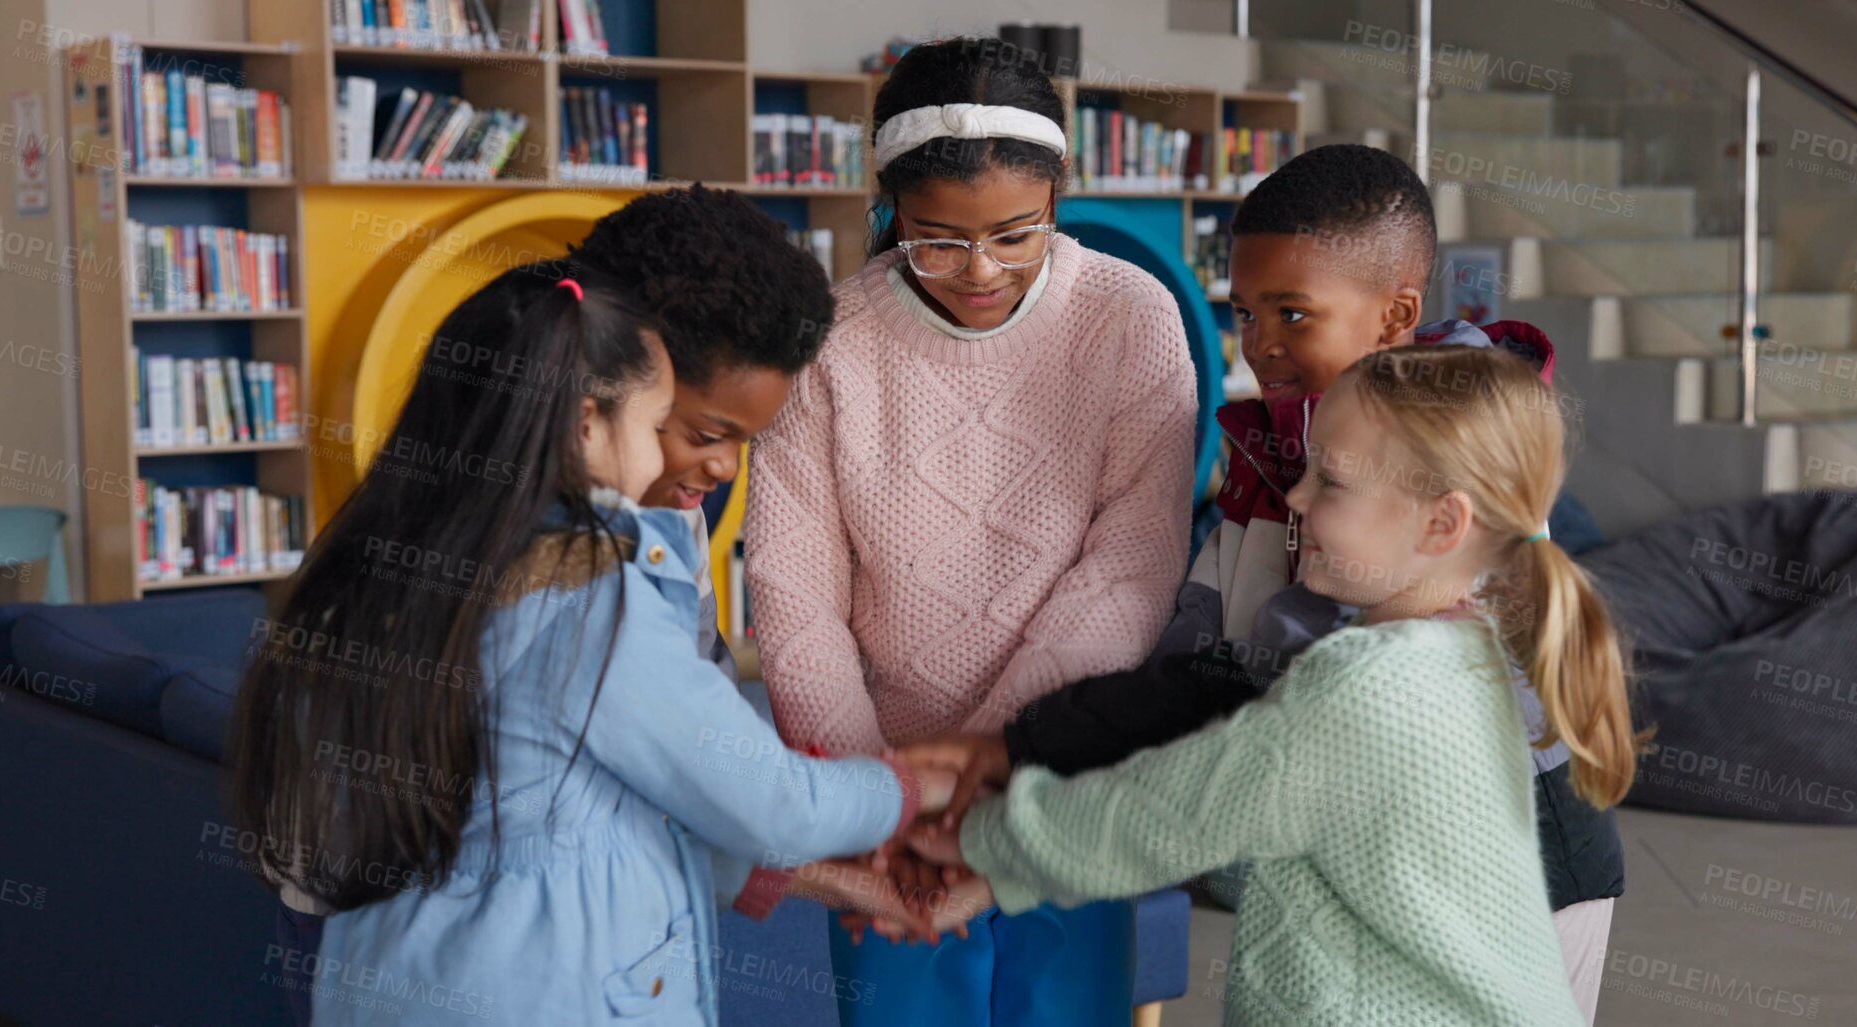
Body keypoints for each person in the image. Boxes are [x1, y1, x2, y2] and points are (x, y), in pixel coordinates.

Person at [899, 144, 1624, 1023]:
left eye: (1291, 312)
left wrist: (995, 828)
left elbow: (1187, 798)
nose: (1262, 342)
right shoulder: (1295, 462)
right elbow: (1201, 666)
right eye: (1245, 311)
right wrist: (1027, 746)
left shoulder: (1437, 481)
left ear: (1396, 313)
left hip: (1539, 875)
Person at [228, 260, 949, 1026]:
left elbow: (562, 801)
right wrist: (916, 783)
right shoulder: (591, 598)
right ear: (585, 423)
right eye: (656, 421)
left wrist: (795, 879)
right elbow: (775, 802)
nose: (672, 457)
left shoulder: (385, 572)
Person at [742, 36, 1199, 1027]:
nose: (978, 271)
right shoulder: (826, 341)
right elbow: (793, 596)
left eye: (1015, 234)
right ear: (890, 208)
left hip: (1062, 782)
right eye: (936, 238)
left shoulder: (1130, 317)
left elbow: (1132, 564)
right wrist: (883, 798)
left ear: (1059, 196)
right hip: (880, 794)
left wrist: (984, 761)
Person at [572, 183, 836, 673]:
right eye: (707, 437)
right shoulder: (536, 552)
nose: (726, 469)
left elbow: (701, 680)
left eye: (745, 442)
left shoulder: (677, 511)